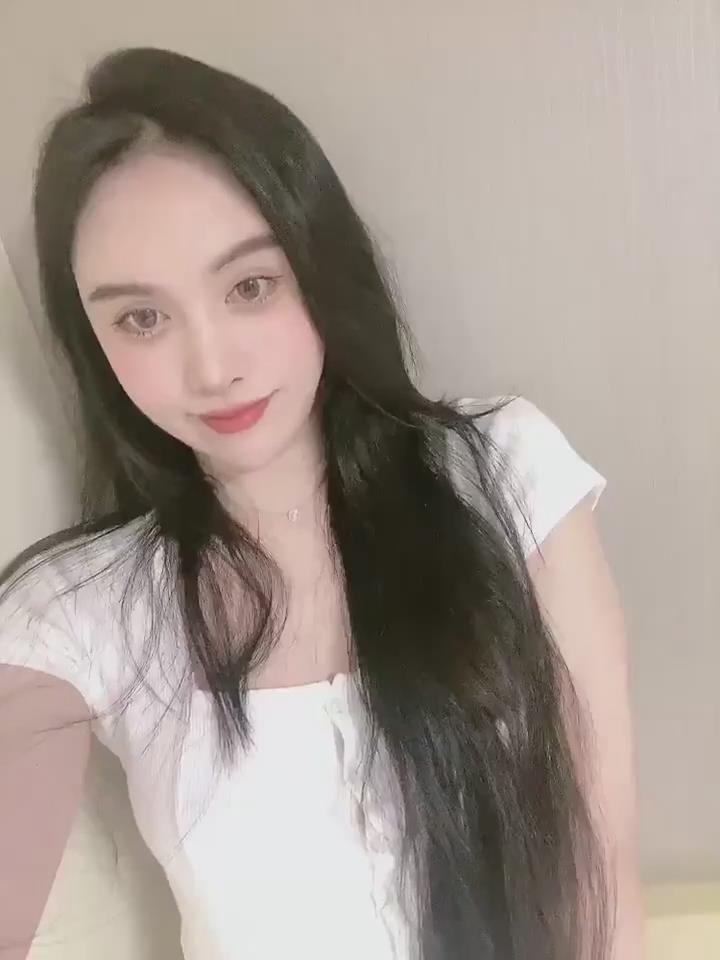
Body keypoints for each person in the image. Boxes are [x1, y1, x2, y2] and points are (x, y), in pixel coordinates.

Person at [0, 46, 642, 960]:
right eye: (142, 318)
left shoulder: (504, 474)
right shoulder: (76, 612)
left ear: (320, 269)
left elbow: (603, 878)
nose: (212, 366)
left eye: (250, 286)